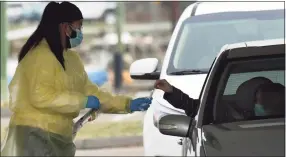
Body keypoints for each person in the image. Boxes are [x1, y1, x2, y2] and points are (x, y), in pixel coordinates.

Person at [1, 2, 151, 156]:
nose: (80, 32)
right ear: (65, 27)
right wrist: (81, 101)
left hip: (57, 137)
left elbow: (93, 93)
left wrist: (127, 104)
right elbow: (41, 96)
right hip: (32, 136)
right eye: (78, 26)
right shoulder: (40, 56)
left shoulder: (71, 59)